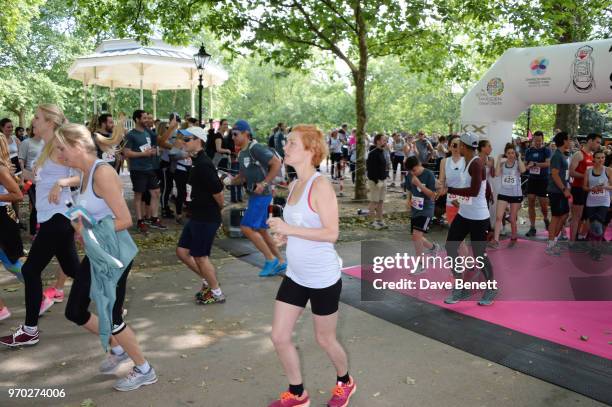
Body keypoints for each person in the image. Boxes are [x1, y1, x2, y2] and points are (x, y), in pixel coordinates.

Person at [53, 123, 157, 391]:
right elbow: (94, 210)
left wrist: (87, 230)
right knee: (75, 310)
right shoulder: (85, 172)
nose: (58, 155)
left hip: (115, 254)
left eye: (61, 149)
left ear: (77, 146)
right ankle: (117, 348)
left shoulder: (102, 173)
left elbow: (124, 220)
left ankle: (144, 369)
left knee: (113, 317)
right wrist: (80, 218)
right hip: (99, 252)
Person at [267, 124, 355, 407]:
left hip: (323, 278)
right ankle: (297, 394)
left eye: (292, 143)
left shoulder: (321, 186)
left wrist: (289, 230)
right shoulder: (294, 185)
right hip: (296, 275)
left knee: (325, 339)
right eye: (287, 142)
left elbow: (331, 233)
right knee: (279, 336)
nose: (285, 146)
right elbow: (300, 227)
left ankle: (345, 382)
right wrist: (283, 235)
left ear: (310, 150)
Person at [0, 104, 80, 348]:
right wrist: (21, 177)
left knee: (30, 271)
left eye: (37, 117)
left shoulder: (60, 144)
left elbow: (83, 173)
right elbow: (37, 180)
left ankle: (29, 329)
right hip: (51, 217)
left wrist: (62, 182)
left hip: (59, 217)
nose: (33, 120)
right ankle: (114, 306)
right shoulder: (45, 147)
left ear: (50, 122)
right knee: (76, 271)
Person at [227, 120, 286, 276]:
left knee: (246, 227)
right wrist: (230, 180)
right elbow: (243, 177)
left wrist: (265, 183)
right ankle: (280, 262)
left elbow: (276, 163)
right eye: (231, 134)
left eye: (235, 134)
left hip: (263, 195)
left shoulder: (256, 148)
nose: (233, 137)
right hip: (254, 195)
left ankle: (270, 260)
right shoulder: (241, 153)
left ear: (246, 133)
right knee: (262, 230)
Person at [443, 132, 497, 306]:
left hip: (478, 218)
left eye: (459, 145)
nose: (457, 147)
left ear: (464, 147)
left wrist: (451, 190)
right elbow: (482, 187)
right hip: (465, 214)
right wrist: (461, 200)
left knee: (479, 255)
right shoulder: (469, 162)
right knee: (450, 246)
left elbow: (474, 191)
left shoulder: (477, 164)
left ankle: (491, 287)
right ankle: (459, 288)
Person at [175, 128, 226, 304]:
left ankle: (216, 292)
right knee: (182, 252)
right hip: (196, 215)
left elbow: (218, 192)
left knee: (200, 256)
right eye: (183, 139)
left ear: (199, 141)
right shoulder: (195, 161)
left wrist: (218, 210)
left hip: (206, 217)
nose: (183, 142)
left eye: (187, 139)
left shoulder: (204, 163)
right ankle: (209, 279)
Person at [123, 110, 165, 232]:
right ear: (137, 119)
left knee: (156, 192)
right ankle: (140, 221)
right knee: (139, 195)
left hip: (149, 167)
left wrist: (151, 151)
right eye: (145, 118)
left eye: (148, 118)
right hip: (138, 169)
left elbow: (159, 141)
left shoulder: (148, 132)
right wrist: (143, 154)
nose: (147, 120)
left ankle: (154, 218)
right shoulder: (131, 135)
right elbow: (126, 153)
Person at [0, 135, 25, 320]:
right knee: (11, 263)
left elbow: (17, 195)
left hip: (3, 219)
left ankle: (38, 295)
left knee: (12, 263)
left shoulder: (1, 169)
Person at [405, 156, 442, 274]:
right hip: (415, 208)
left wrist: (420, 185)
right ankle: (433, 247)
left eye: (414, 170)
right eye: (411, 171)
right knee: (416, 236)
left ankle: (421, 265)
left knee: (416, 235)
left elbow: (433, 195)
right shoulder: (410, 175)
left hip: (426, 209)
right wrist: (408, 200)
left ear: (420, 164)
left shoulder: (429, 174)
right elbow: (410, 189)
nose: (413, 173)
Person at [489, 143, 526, 248]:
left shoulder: (517, 163)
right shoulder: (502, 164)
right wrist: (498, 159)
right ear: (506, 154)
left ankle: (514, 237)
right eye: (508, 153)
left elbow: (523, 170)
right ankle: (495, 240)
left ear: (515, 153)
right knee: (498, 217)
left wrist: (519, 158)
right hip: (504, 193)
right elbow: (496, 174)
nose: (511, 155)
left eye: (513, 153)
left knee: (513, 218)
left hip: (515, 194)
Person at [568, 133, 602, 245]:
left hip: (588, 190)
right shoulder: (579, 154)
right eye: (597, 142)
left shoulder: (592, 155)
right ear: (590, 141)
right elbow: (571, 172)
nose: (598, 145)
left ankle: (580, 237)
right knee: (576, 217)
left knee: (586, 216)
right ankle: (572, 242)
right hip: (578, 189)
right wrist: (586, 176)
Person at [545, 132, 572, 256]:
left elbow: (561, 174)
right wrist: (564, 189)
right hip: (556, 191)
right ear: (564, 141)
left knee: (564, 214)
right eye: (569, 139)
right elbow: (554, 174)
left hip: (560, 191)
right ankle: (551, 244)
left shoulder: (561, 154)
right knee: (556, 216)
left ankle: (553, 241)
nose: (570, 142)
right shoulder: (557, 155)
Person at [582, 149, 611, 260]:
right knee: (593, 226)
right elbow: (584, 187)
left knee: (598, 226)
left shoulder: (608, 170)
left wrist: (605, 187)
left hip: (604, 202)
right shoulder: (588, 171)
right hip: (591, 202)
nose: (600, 160)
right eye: (598, 158)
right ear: (594, 159)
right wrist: (591, 188)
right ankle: (592, 243)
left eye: (602, 158)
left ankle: (596, 250)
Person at [18, 120, 45, 237]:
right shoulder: (26, 143)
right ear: (34, 129)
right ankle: (33, 233)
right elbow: (21, 160)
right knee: (35, 205)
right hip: (30, 179)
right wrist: (22, 178)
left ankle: (42, 230)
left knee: (42, 205)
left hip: (43, 179)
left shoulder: (47, 142)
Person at [524, 131, 551, 237]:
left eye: (540, 140)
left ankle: (545, 218)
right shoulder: (528, 151)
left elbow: (548, 163)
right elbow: (526, 164)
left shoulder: (546, 150)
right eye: (536, 140)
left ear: (543, 140)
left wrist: (535, 164)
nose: (538, 142)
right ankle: (532, 227)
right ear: (533, 140)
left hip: (543, 180)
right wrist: (527, 166)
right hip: (532, 179)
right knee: (530, 201)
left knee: (543, 205)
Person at [366, 134, 388, 229]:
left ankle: (379, 220)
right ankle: (371, 222)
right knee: (374, 201)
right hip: (375, 182)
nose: (385, 141)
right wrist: (376, 181)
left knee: (381, 201)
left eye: (385, 140)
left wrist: (384, 178)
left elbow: (383, 167)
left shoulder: (382, 151)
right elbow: (370, 169)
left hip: (383, 180)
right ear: (378, 141)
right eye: (383, 140)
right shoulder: (373, 153)